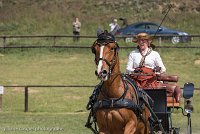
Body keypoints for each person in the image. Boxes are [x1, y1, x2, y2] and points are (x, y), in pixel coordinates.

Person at [126, 32, 181, 102]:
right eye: (140, 40)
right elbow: (128, 69)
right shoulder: (133, 54)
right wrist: (134, 71)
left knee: (174, 89)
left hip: (151, 81)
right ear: (137, 42)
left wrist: (157, 69)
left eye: (144, 40)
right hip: (136, 81)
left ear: (148, 42)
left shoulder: (155, 54)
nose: (141, 42)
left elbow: (163, 68)